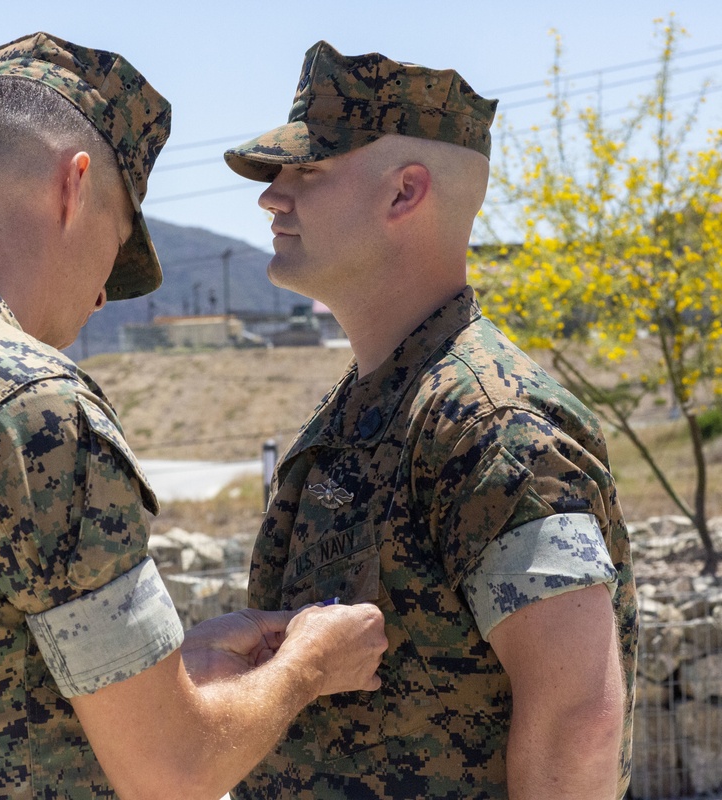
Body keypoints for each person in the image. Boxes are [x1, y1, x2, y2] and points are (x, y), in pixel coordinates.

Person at [0, 33, 388, 800]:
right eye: (116, 247)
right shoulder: (32, 403)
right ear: (75, 187)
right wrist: (309, 667)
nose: (99, 299)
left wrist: (176, 668)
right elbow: (172, 770)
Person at [223, 41, 637, 800]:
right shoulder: (373, 401)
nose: (272, 197)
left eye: (305, 170)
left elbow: (579, 721)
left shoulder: (493, 424)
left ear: (404, 194)